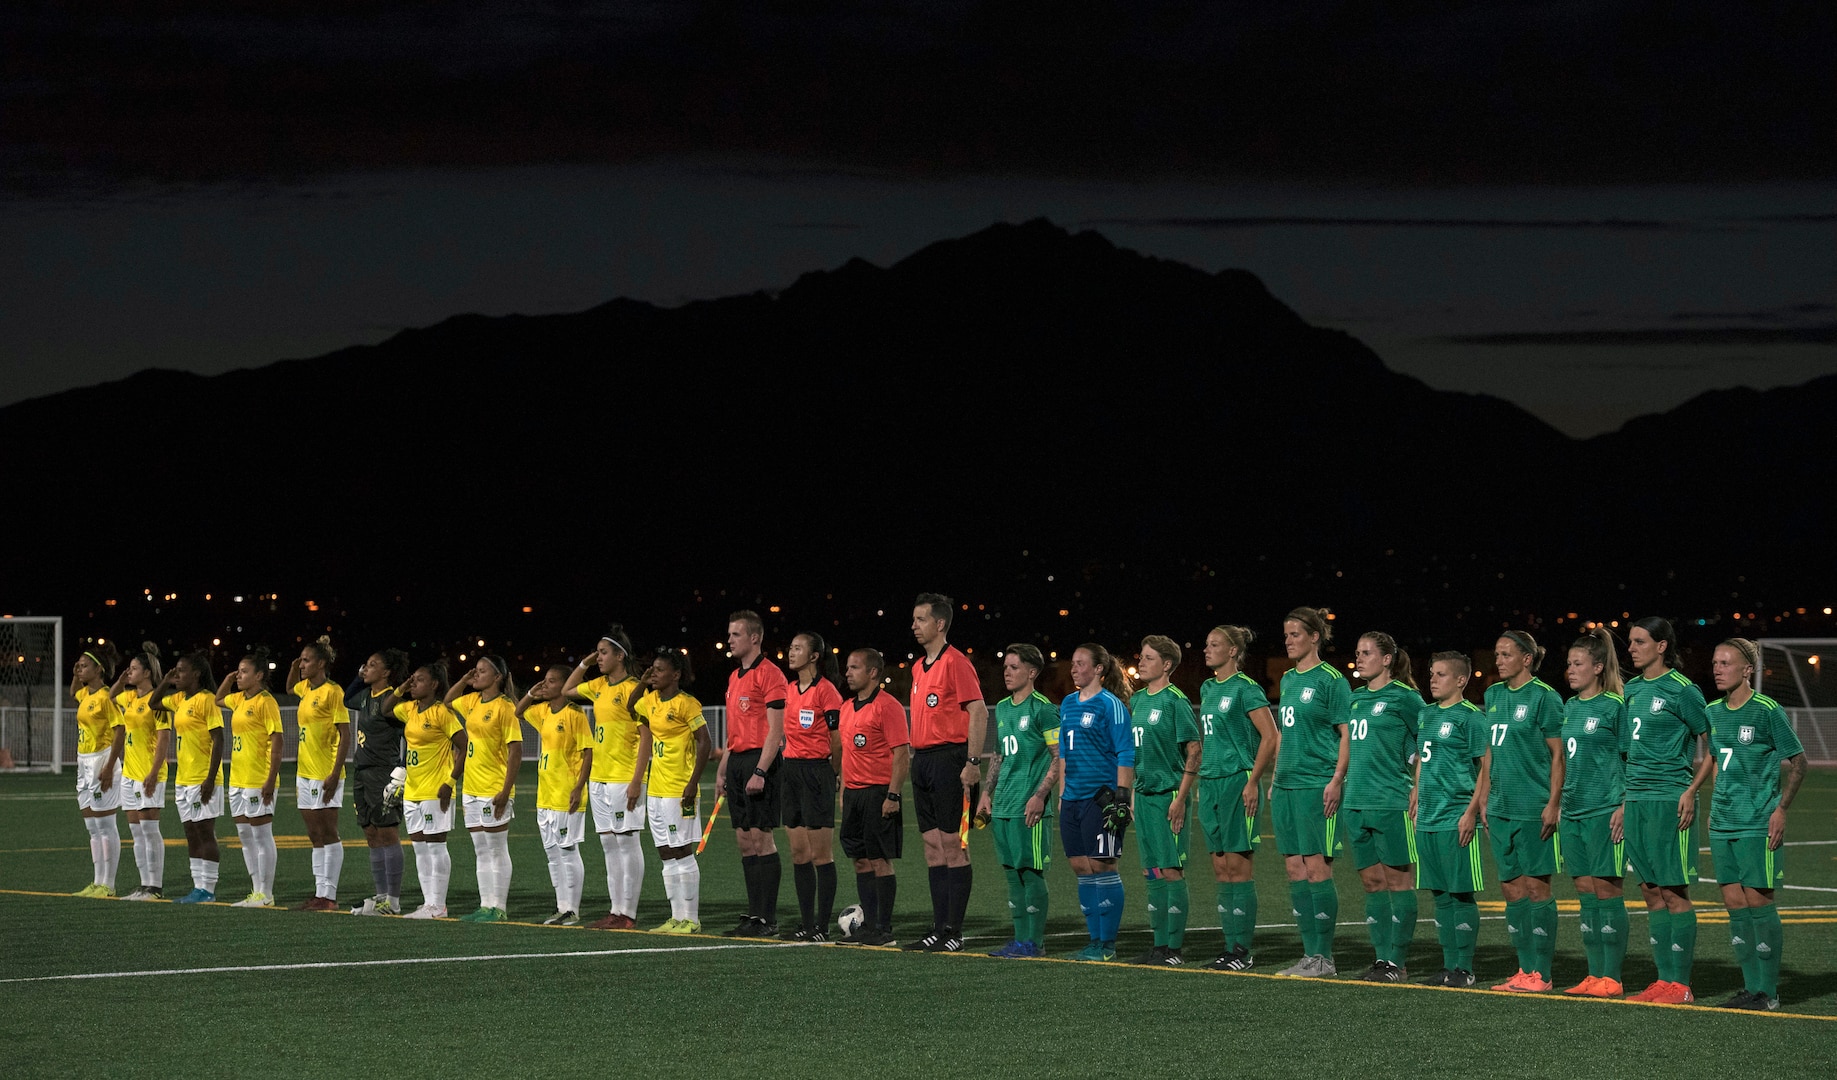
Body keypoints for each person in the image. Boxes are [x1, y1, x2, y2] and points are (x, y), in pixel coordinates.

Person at [1706, 637, 1807, 1011]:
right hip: (1723, 822)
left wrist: (1780, 810)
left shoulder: (1766, 710)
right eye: (1715, 662)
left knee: (1758, 901)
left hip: (1756, 822)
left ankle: (1769, 993)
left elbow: (1799, 762)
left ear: (1748, 669)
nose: (1717, 669)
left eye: (1726, 663)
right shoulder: (1712, 710)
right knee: (1734, 904)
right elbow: (1718, 760)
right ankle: (1750, 988)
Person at [1621, 616, 1712, 1004]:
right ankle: (1662, 980)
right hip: (1636, 800)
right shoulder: (1631, 689)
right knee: (1650, 892)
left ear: (1661, 646)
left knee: (1674, 892)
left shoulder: (1683, 690)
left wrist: (1691, 790)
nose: (1631, 647)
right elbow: (1626, 749)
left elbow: (1713, 748)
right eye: (1630, 641)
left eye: (1639, 641)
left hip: (1669, 799)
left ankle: (1682, 985)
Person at [903, 592, 989, 953]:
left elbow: (979, 711)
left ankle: (954, 931)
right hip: (922, 760)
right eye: (914, 619)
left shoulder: (956, 662)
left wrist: (972, 763)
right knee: (932, 846)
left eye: (921, 619)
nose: (914, 626)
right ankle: (938, 927)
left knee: (954, 845)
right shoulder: (918, 666)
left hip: (951, 760)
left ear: (940, 623)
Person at [1484, 631, 1566, 992]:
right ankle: (1523, 970)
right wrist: (1484, 800)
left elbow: (1559, 755)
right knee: (1511, 891)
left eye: (1506, 654)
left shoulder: (1544, 698)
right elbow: (1489, 753)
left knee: (1536, 888)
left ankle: (1542, 974)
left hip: (1533, 808)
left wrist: (1554, 802)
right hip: (1500, 808)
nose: (1499, 660)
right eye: (1497, 654)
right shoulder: (1492, 695)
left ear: (1527, 659)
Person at [1272, 605, 1351, 977]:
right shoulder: (1288, 680)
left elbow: (1346, 734)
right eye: (1286, 635)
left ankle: (1324, 958)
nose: (1288, 641)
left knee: (1317, 868)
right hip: (1286, 784)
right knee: (1294, 869)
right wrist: (1274, 779)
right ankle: (1309, 956)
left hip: (1316, 784)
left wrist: (1336, 779)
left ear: (1315, 637)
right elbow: (1287, 734)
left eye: (1296, 634)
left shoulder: (1331, 679)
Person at [1343, 631, 1426, 983]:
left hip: (1391, 801)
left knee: (1399, 883)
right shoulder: (1356, 698)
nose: (1359, 659)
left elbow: (1427, 744)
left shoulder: (1406, 698)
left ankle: (1398, 962)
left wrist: (1419, 788)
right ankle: (1381, 960)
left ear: (1387, 659)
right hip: (1355, 802)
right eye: (1357, 652)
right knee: (1372, 883)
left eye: (1367, 653)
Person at [1197, 624, 1277, 971]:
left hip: (1236, 780)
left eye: (1214, 644)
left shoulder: (1246, 689)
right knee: (1220, 867)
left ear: (1232, 651)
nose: (1206, 649)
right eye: (1206, 643)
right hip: (1210, 782)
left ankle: (1242, 950)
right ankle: (1228, 947)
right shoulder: (1207, 687)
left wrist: (1252, 781)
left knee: (1238, 867)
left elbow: (1270, 737)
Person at [1558, 627, 1632, 997]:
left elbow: (1631, 760)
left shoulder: (1615, 706)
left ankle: (1612, 978)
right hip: (1572, 811)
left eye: (1578, 664)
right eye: (1569, 663)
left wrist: (1623, 805)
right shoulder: (1570, 707)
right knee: (1585, 893)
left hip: (1605, 809)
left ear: (1598, 667)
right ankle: (1593, 974)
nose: (1570, 670)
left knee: (1606, 891)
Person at [1411, 652, 1490, 987]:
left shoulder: (1470, 717)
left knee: (1460, 893)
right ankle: (1447, 966)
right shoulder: (1425, 714)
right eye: (1431, 673)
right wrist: (1415, 790)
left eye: (1441, 674)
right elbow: (1422, 760)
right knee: (1440, 894)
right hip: (1427, 816)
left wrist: (1472, 811)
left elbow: (1486, 767)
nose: (1432, 679)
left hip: (1455, 815)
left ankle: (1464, 968)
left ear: (1461, 680)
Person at [559, 626, 647, 930]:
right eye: (597, 652)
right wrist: (584, 663)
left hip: (625, 778)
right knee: (610, 846)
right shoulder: (597, 685)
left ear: (620, 655)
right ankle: (616, 910)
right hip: (599, 778)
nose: (598, 657)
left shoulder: (635, 688)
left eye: (603, 652)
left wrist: (637, 780)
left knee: (627, 843)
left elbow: (644, 736)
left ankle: (629, 914)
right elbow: (567, 690)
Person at [978, 643, 1060, 958]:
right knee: (1012, 872)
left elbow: (1058, 757)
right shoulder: (1003, 707)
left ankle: (1034, 942)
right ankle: (1018, 939)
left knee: (1030, 871)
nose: (1007, 673)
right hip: (1003, 807)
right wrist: (988, 793)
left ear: (1032, 672)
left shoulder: (1043, 709)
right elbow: (999, 754)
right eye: (1006, 667)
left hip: (1030, 807)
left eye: (1014, 667)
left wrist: (1041, 795)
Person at [1125, 635, 1200, 966]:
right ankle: (1158, 945)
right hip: (1143, 796)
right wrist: (1128, 794)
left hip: (1169, 795)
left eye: (1149, 658)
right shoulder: (1137, 700)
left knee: (1171, 870)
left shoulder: (1175, 701)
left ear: (1167, 665)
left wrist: (1181, 798)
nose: (1141, 662)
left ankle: (1173, 949)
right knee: (1151, 870)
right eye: (1141, 657)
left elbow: (1194, 750)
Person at [1057, 643, 1135, 962]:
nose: (1073, 668)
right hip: (1072, 798)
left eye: (1080, 663)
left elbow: (1126, 753)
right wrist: (1062, 794)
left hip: (1100, 799)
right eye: (1072, 663)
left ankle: (1107, 944)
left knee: (1103, 865)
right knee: (1080, 866)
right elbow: (1063, 752)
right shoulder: (1067, 703)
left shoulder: (1110, 704)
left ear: (1099, 669)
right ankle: (1093, 941)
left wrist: (1122, 799)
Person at [630, 648, 712, 934]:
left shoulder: (687, 704)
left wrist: (692, 782)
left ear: (675, 674)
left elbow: (704, 742)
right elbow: (630, 707)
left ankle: (691, 919)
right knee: (665, 851)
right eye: (652, 669)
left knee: (682, 850)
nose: (654, 674)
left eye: (659, 670)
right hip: (656, 790)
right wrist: (642, 682)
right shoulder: (650, 700)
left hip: (680, 790)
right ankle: (676, 917)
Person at [718, 610, 789, 937]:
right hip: (736, 764)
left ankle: (767, 918)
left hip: (760, 762)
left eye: (735, 634)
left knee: (762, 839)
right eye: (730, 634)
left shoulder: (770, 674)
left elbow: (776, 731)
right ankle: (754, 914)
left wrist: (761, 770)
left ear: (754, 638)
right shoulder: (734, 678)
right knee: (745, 842)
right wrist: (722, 771)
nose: (730, 640)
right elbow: (733, 733)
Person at [835, 648, 909, 947]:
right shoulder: (846, 708)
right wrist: (843, 792)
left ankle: (884, 929)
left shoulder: (887, 706)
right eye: (847, 668)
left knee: (880, 861)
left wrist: (893, 795)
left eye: (854, 668)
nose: (848, 673)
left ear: (873, 673)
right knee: (860, 862)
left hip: (879, 793)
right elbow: (845, 755)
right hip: (853, 795)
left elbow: (902, 754)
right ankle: (867, 928)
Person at [779, 631, 846, 941]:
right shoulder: (790, 689)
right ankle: (806, 923)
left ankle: (821, 925)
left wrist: (832, 773)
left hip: (817, 771)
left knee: (821, 855)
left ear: (814, 656)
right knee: (798, 853)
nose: (791, 653)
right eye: (790, 648)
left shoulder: (827, 691)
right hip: (790, 771)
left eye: (798, 648)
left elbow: (836, 739)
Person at [445, 655, 522, 922]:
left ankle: (498, 907)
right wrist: (464, 680)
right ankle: (485, 905)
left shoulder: (506, 707)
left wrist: (505, 790)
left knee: (496, 848)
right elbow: (447, 702)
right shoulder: (472, 701)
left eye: (481, 671)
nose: (475, 675)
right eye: (474, 671)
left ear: (497, 677)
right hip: (472, 788)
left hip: (493, 788)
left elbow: (515, 752)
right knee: (480, 849)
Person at [519, 664, 595, 925]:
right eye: (545, 680)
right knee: (552, 854)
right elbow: (518, 711)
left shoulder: (575, 715)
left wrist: (578, 787)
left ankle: (573, 909)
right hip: (545, 795)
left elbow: (588, 753)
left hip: (566, 794)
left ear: (563, 686)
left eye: (551, 681)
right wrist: (531, 692)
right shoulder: (542, 711)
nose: (545, 684)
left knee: (568, 850)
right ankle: (561, 907)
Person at [393, 662, 466, 919]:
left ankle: (439, 905)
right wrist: (401, 687)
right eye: (412, 680)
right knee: (420, 849)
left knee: (436, 847)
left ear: (434, 684)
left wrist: (450, 782)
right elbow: (385, 708)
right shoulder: (410, 709)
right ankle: (427, 904)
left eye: (419, 680)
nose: (414, 684)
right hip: (412, 790)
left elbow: (464, 746)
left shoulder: (442, 713)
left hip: (436, 790)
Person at [347, 648, 413, 916]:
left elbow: (409, 735)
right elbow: (346, 698)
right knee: (371, 834)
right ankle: (382, 896)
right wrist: (357, 675)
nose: (367, 668)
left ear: (386, 673)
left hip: (382, 772)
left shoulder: (393, 701)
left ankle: (393, 901)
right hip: (361, 772)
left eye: (373, 665)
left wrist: (402, 769)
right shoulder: (364, 695)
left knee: (387, 834)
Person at [217, 648, 283, 908]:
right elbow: (218, 699)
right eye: (239, 671)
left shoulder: (266, 702)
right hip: (238, 779)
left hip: (258, 779)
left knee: (261, 835)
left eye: (244, 672)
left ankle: (266, 894)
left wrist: (270, 779)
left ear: (259, 675)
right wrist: (229, 677)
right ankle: (255, 891)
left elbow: (277, 742)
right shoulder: (239, 700)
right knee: (245, 835)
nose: (239, 676)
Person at [288, 636, 351, 911]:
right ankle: (319, 893)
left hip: (326, 772)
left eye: (306, 660)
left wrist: (335, 772)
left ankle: (330, 897)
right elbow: (290, 688)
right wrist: (294, 666)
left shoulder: (332, 692)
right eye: (301, 659)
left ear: (321, 663)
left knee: (329, 833)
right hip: (304, 773)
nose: (302, 664)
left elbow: (345, 734)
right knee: (314, 835)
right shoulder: (306, 689)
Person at [158, 652, 224, 904]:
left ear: (196, 674)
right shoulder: (179, 700)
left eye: (181, 670)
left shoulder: (207, 700)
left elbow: (219, 738)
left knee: (205, 832)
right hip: (183, 779)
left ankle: (208, 888)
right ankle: (198, 887)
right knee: (191, 832)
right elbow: (155, 703)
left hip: (202, 778)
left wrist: (210, 779)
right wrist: (165, 682)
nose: (177, 675)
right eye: (175, 670)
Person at [113, 643, 172, 900]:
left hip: (149, 773)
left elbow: (163, 740)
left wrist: (153, 772)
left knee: (149, 830)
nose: (130, 672)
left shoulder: (156, 702)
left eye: (134, 669)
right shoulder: (130, 697)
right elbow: (110, 696)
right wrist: (121, 677)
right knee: (136, 833)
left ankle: (155, 887)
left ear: (147, 673)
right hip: (129, 774)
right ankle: (143, 884)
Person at [71, 642, 125, 897]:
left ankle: (109, 884)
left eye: (84, 666)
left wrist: (109, 766)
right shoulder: (86, 694)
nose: (80, 669)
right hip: (83, 760)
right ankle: (97, 881)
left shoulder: (106, 697)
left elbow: (120, 731)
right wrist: (74, 675)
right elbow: (74, 693)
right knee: (92, 827)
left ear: (99, 669)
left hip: (101, 760)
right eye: (78, 666)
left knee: (106, 825)